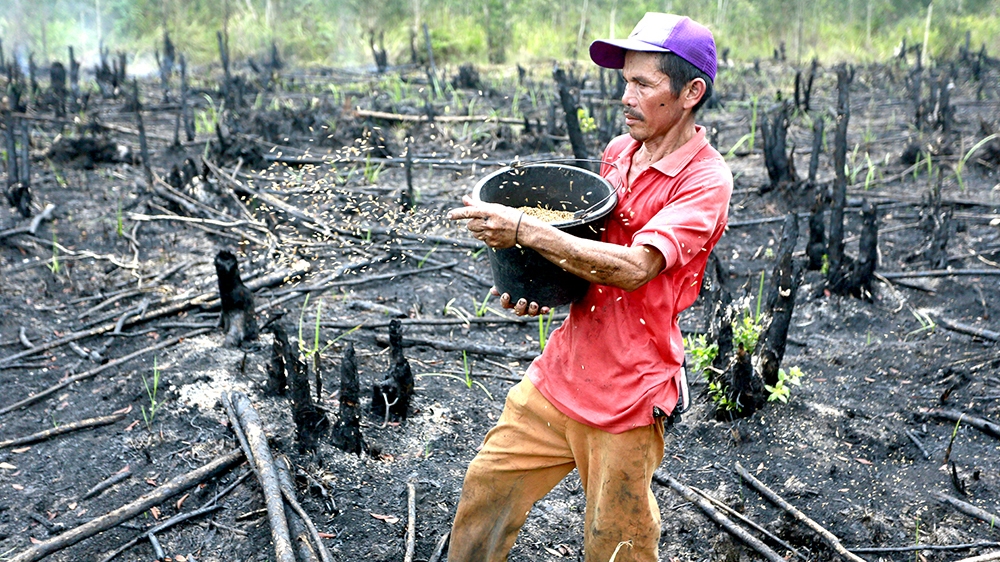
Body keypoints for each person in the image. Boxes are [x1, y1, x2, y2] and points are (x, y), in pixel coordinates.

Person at [445, 12, 733, 562]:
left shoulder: (705, 181)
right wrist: (539, 287)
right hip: (563, 370)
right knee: (488, 485)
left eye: (643, 84)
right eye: (625, 80)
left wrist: (527, 227)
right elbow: (584, 261)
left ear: (692, 92)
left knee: (617, 540)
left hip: (630, 391)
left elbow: (634, 267)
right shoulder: (619, 154)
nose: (625, 96)